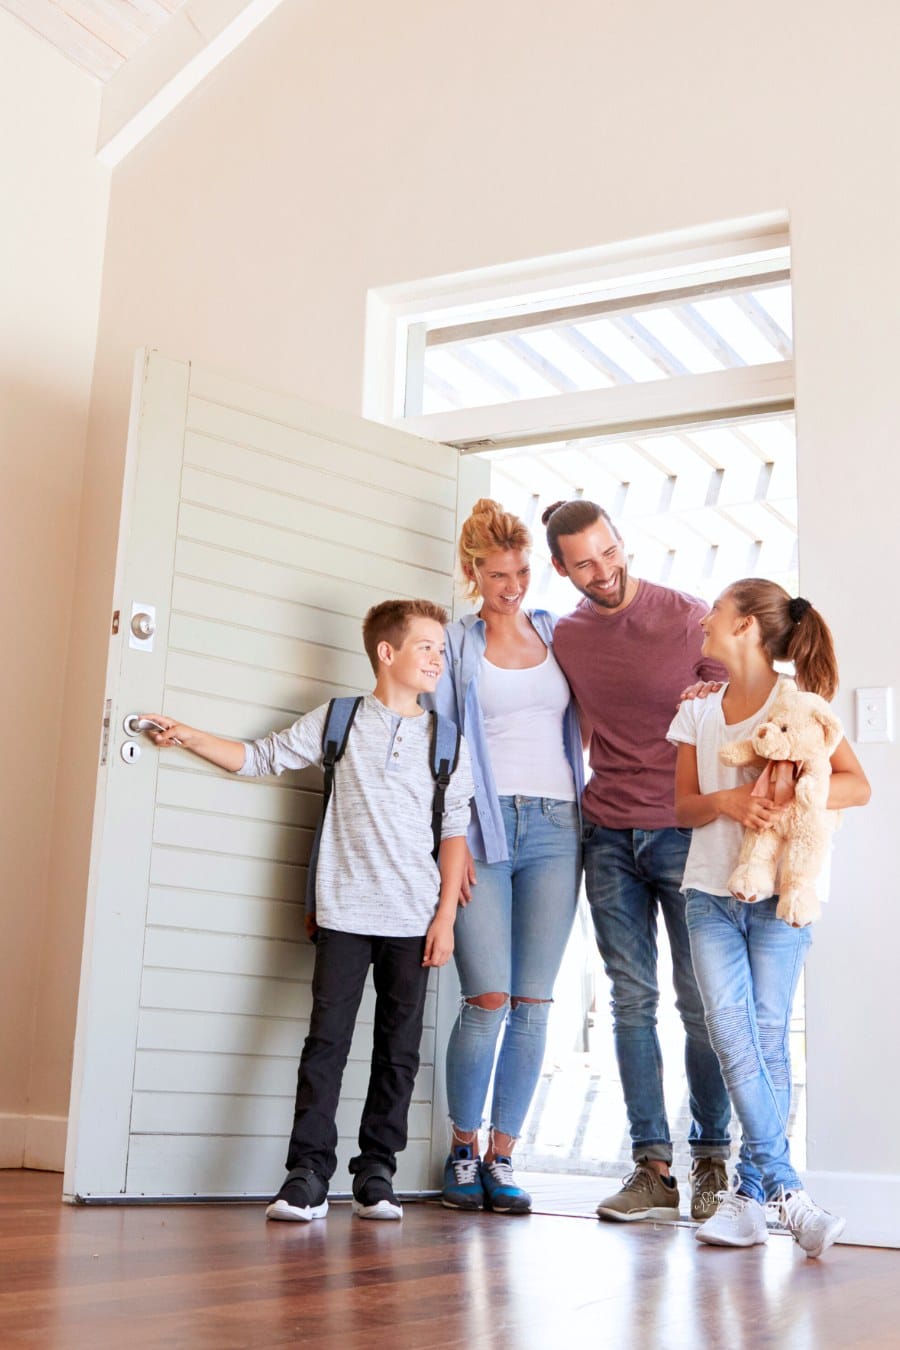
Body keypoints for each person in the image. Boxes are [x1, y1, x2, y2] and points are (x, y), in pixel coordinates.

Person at [144, 599, 474, 1224]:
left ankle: (377, 1172)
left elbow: (456, 831)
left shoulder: (448, 740)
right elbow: (259, 757)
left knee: (399, 1050)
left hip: (413, 919)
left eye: (441, 649)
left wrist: (445, 919)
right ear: (387, 652)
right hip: (344, 911)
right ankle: (308, 1175)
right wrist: (186, 734)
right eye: (426, 646)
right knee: (326, 1042)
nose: (438, 657)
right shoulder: (340, 720)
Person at [544, 498, 732, 1223]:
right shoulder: (566, 637)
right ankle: (652, 1169)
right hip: (607, 836)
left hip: (686, 832)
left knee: (701, 1001)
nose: (604, 571)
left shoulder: (691, 616)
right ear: (562, 570)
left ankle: (713, 1158)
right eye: (584, 562)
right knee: (630, 1000)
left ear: (622, 542)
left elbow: (746, 702)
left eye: (610, 551)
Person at [668, 579, 869, 1256]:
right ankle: (790, 1194)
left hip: (783, 897)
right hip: (710, 894)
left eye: (716, 612)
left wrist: (795, 796)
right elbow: (684, 808)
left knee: (770, 1038)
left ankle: (751, 1199)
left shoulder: (800, 705)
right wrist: (730, 803)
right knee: (731, 1035)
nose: (705, 619)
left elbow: (856, 784)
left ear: (748, 626)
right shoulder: (697, 712)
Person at [427, 499, 584, 1215]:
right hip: (484, 830)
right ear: (471, 573)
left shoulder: (557, 634)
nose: (513, 585)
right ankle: (462, 1151)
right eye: (497, 575)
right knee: (487, 997)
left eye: (521, 571)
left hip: (559, 828)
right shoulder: (455, 645)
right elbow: (442, 746)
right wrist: (447, 849)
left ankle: (504, 1156)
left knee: (533, 1003)